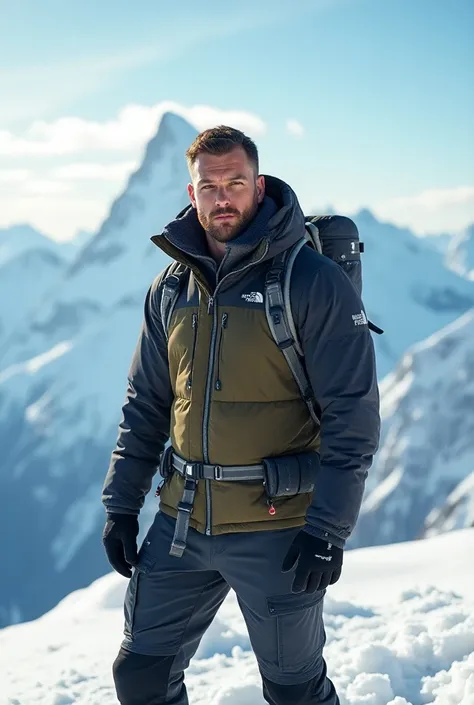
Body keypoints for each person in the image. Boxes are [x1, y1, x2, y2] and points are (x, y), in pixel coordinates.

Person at [102, 125, 380, 705]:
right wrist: (121, 505)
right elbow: (147, 404)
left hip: (277, 528)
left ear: (258, 186)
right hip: (182, 524)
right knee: (141, 677)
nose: (222, 197)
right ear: (191, 191)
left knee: (294, 691)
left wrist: (328, 531)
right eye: (210, 186)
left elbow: (353, 417)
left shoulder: (312, 281)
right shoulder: (170, 287)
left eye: (235, 183)